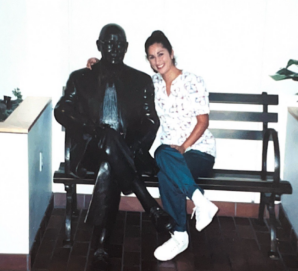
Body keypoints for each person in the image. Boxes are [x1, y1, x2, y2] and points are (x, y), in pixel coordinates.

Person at [86, 30, 218, 262]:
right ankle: (198, 204)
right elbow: (124, 82)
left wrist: (184, 147)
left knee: (164, 160)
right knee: (163, 158)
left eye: (161, 54)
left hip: (199, 151)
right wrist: (97, 65)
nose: (157, 61)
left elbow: (203, 121)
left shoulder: (193, 81)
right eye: (151, 57)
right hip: (169, 153)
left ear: (171, 53)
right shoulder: (153, 83)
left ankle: (179, 234)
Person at [54, 24, 175, 271]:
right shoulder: (80, 77)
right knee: (107, 141)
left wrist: (129, 148)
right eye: (108, 43)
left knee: (109, 162)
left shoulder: (140, 80)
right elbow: (61, 110)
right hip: (89, 152)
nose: (113, 48)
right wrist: (91, 128)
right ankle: (150, 206)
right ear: (99, 46)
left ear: (126, 48)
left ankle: (101, 246)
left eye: (119, 44)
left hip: (128, 152)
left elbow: (152, 122)